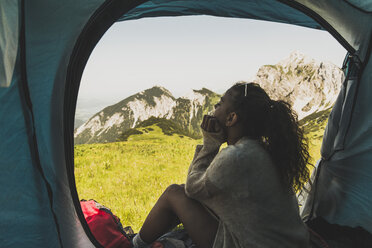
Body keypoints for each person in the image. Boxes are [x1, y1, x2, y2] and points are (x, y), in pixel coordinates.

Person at [132, 82, 312, 248]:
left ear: (231, 118)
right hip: (292, 243)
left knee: (174, 193)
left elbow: (192, 189)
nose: (214, 108)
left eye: (219, 104)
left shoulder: (236, 156)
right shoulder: (265, 151)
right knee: (189, 197)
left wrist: (210, 144)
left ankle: (133, 244)